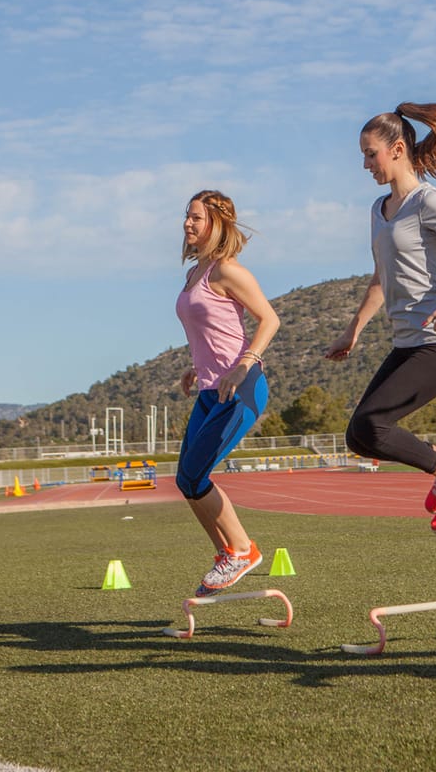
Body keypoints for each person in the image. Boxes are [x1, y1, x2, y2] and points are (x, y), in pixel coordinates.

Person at [325, 103, 436, 533]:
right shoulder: (378, 211)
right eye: (362, 156)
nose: (365, 164)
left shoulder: (427, 201)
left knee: (372, 423)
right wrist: (354, 330)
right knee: (358, 436)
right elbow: (380, 281)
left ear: (397, 149)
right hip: (406, 344)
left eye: (370, 154)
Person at [175, 190, 280, 596]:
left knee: (196, 474)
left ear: (217, 224)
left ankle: (241, 550)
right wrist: (195, 367)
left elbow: (269, 319)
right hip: (209, 388)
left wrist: (245, 363)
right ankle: (228, 554)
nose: (188, 224)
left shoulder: (227, 270)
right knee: (186, 479)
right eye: (187, 217)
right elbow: (213, 331)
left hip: (241, 388)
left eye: (196, 218)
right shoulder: (195, 274)